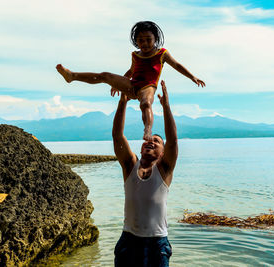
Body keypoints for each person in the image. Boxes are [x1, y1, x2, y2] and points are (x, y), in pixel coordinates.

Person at [56, 20, 205, 141]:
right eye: (141, 40)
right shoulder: (135, 55)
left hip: (148, 87)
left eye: (148, 40)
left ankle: (147, 129)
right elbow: (131, 71)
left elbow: (177, 65)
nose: (145, 43)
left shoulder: (162, 53)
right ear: (135, 41)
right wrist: (117, 84)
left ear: (155, 40)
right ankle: (72, 76)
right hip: (132, 85)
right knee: (105, 75)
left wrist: (192, 76)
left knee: (146, 103)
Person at [112, 80, 178, 267]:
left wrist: (166, 106)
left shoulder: (164, 170)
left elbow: (172, 141)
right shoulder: (130, 165)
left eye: (156, 141)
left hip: (157, 243)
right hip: (129, 240)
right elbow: (117, 136)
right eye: (148, 139)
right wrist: (123, 102)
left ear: (163, 153)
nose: (150, 141)